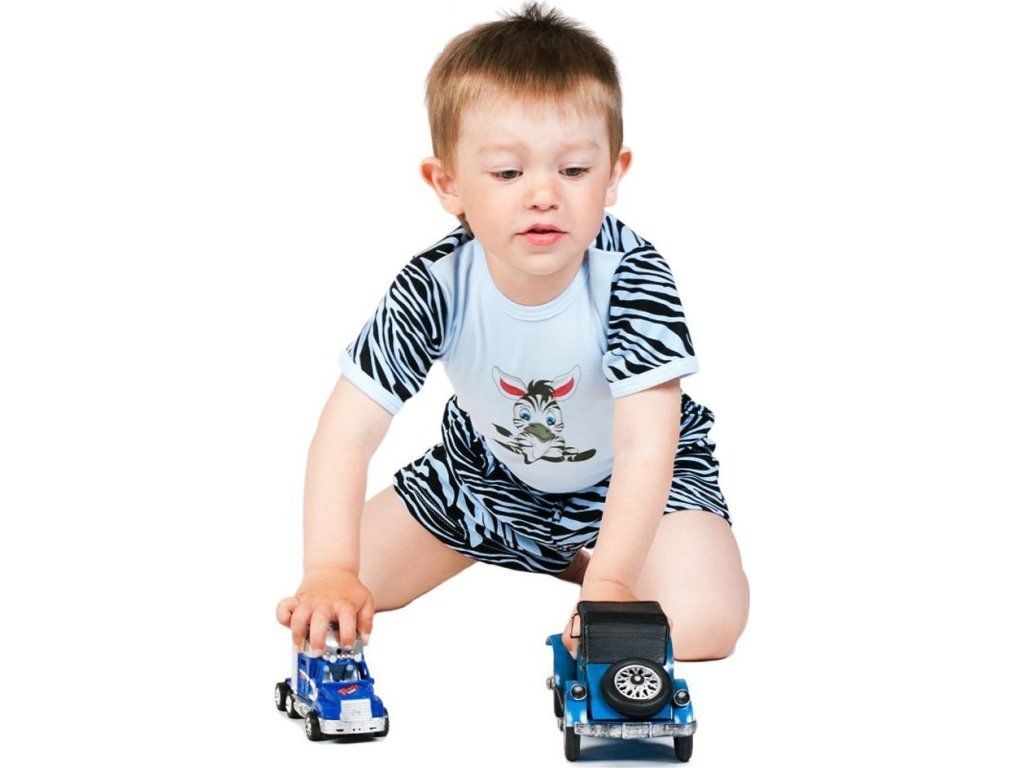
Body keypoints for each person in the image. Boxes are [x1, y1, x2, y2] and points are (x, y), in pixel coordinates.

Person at [276, 2, 749, 663]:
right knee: (348, 590)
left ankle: (599, 561)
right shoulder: (438, 283)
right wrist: (329, 566)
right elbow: (347, 430)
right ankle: (551, 553)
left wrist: (611, 584)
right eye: (507, 173)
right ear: (448, 184)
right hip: (487, 478)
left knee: (703, 622)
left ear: (613, 174)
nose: (543, 194)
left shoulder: (631, 276)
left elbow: (646, 444)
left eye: (574, 170)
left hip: (639, 481)